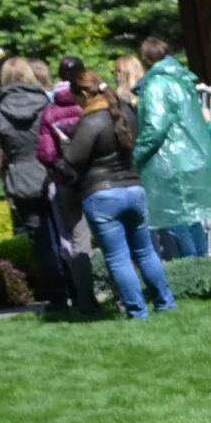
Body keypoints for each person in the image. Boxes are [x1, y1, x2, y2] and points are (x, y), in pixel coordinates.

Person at [60, 67, 174, 318]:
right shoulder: (125, 112)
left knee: (118, 257)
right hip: (134, 189)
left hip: (102, 195)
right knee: (146, 251)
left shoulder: (89, 122)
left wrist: (65, 143)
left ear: (82, 94)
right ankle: (165, 303)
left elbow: (73, 158)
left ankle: (137, 310)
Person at [135, 34, 211, 260]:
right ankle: (202, 270)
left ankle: (192, 273)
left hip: (171, 163)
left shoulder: (156, 85)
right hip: (193, 157)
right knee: (193, 220)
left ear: (145, 59)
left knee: (177, 222)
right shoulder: (183, 80)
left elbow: (155, 128)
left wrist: (136, 155)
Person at [0, 54, 64, 313]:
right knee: (64, 235)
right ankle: (78, 291)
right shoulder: (45, 102)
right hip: (50, 173)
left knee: (41, 242)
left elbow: (4, 149)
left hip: (20, 179)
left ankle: (57, 298)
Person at [34, 59, 104, 318]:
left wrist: (61, 168)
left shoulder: (50, 111)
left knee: (78, 242)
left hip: (66, 182)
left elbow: (45, 153)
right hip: (97, 179)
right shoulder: (95, 103)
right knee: (109, 239)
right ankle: (123, 298)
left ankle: (86, 301)